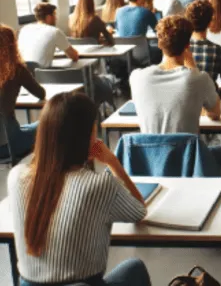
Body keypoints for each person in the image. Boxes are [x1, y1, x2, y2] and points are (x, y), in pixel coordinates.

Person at [8, 92, 152, 286]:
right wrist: (113, 162)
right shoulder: (99, 185)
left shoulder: (16, 176)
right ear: (88, 137)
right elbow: (139, 210)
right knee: (134, 269)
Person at [130, 15, 221, 134]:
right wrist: (193, 68)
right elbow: (215, 113)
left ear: (159, 44)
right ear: (188, 45)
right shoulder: (199, 78)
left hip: (149, 152)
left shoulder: (136, 77)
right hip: (187, 152)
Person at [0, 25, 45, 159]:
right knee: (48, 124)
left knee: (26, 128)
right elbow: (41, 94)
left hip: (7, 136)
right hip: (9, 144)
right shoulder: (17, 69)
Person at [185, 0, 221, 89]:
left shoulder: (180, 49)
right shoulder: (218, 51)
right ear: (210, 23)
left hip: (185, 101)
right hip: (209, 101)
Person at [18, 3, 79, 68]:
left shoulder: (24, 29)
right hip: (43, 75)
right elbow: (74, 56)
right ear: (48, 17)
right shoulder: (55, 32)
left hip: (24, 73)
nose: (56, 18)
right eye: (54, 15)